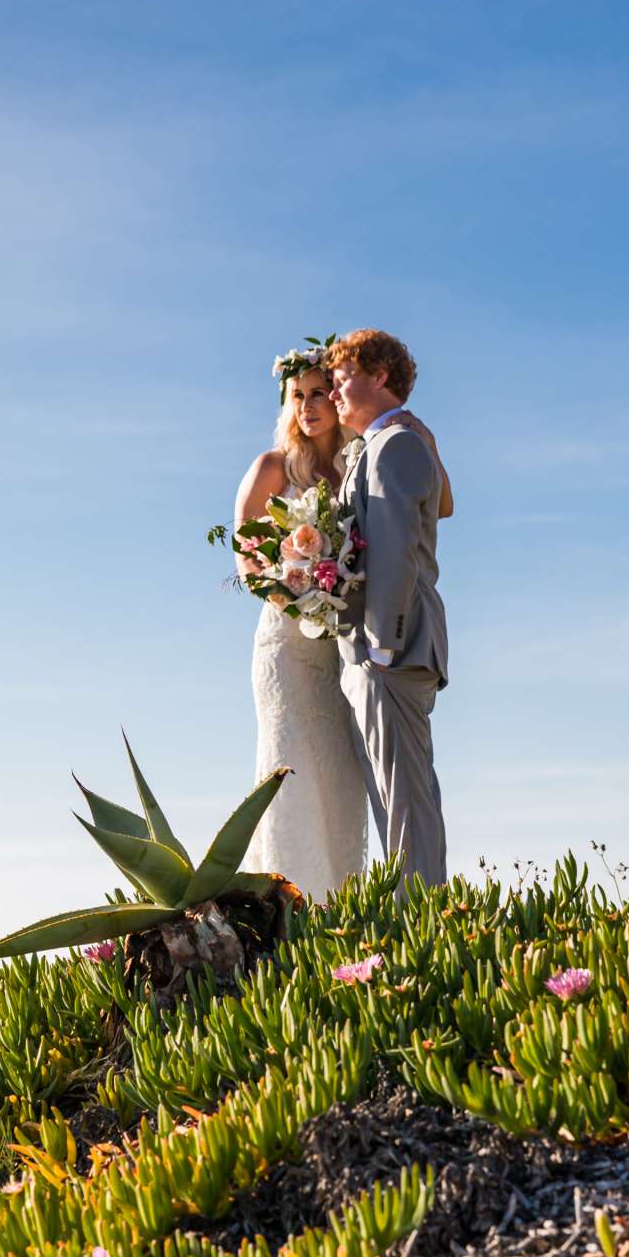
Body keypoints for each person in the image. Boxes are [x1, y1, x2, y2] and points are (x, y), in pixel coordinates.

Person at [234, 344, 451, 900]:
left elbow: (439, 503)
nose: (310, 405)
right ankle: (287, 907)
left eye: (319, 392)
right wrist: (298, 597)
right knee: (294, 772)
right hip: (290, 643)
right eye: (298, 397)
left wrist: (414, 427)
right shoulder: (272, 468)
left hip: (351, 644)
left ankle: (345, 904)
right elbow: (246, 558)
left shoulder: (369, 452)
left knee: (347, 780)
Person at [328, 328, 449, 889]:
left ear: (380, 377)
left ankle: (423, 926)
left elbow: (398, 546)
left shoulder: (397, 443)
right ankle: (413, 920)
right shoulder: (376, 447)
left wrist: (381, 645)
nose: (333, 394)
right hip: (373, 653)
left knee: (406, 805)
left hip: (392, 649)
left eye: (343, 378)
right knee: (392, 796)